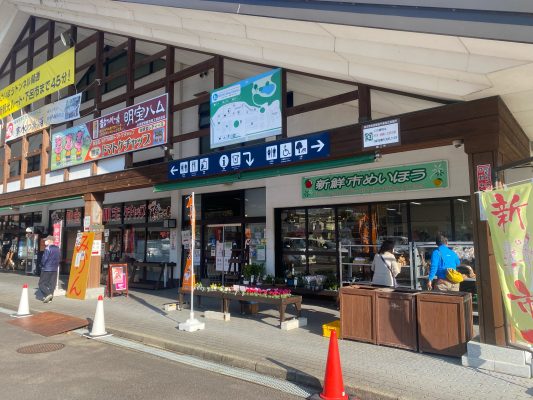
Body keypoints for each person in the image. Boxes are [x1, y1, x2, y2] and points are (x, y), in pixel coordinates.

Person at [38, 235, 60, 303]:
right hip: (54, 269)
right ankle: (50, 299)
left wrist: (41, 265)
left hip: (46, 269)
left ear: (50, 241)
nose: (45, 241)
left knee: (41, 284)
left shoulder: (48, 248)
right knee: (52, 284)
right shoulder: (57, 248)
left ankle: (48, 294)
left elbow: (44, 259)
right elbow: (59, 258)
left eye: (46, 240)